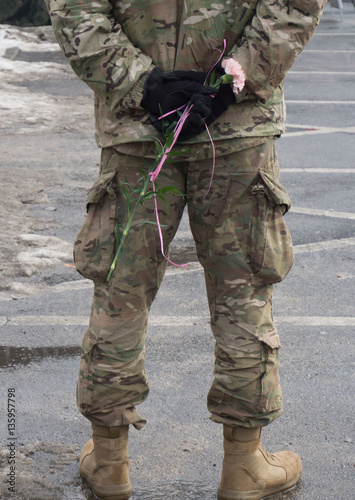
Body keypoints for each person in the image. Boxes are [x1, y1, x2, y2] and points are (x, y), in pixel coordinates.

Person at [45, 1, 326, 499]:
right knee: (243, 294)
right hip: (235, 134)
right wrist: (233, 80)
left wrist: (141, 84)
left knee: (120, 295)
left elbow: (76, 9)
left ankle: (110, 462)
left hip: (139, 129)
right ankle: (243, 465)